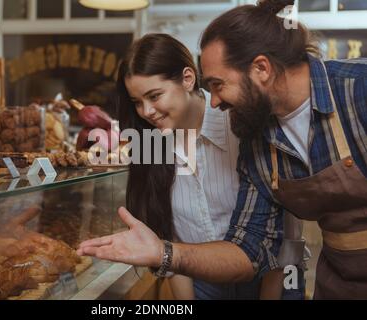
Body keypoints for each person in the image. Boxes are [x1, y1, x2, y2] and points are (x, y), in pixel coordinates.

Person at [78, 0, 367, 299]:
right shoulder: (258, 134)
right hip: (336, 282)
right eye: (138, 102)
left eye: (217, 84)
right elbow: (254, 242)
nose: (215, 102)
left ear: (261, 69)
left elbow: (283, 245)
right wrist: (165, 254)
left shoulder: (355, 91)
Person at [89, 32, 304, 299]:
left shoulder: (239, 124)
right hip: (201, 286)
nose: (146, 111)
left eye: (154, 96)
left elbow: (286, 234)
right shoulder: (150, 144)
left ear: (187, 79)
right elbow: (169, 243)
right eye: (136, 102)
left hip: (269, 281)